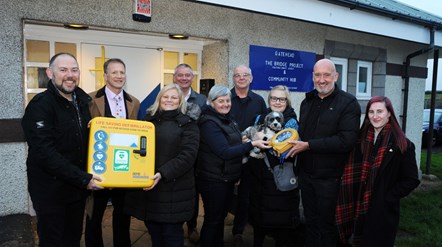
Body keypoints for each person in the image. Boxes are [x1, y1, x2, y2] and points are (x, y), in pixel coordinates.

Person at [21, 53, 103, 246]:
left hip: (76, 190)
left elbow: (83, 140)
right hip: (50, 191)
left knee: (73, 238)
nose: (70, 75)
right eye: (63, 70)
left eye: (74, 70)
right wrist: (83, 178)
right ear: (50, 73)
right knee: (53, 240)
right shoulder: (40, 105)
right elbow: (44, 153)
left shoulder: (82, 103)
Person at [286, 58, 361, 247]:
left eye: (326, 75)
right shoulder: (307, 101)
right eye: (317, 75)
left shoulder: (348, 103)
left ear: (335, 76)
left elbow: (346, 141)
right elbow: (303, 133)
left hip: (331, 179)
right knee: (310, 222)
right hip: (306, 176)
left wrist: (309, 145)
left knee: (327, 225)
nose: (322, 79)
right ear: (312, 77)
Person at [335, 96, 420, 247]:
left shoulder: (403, 145)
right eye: (371, 112)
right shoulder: (359, 140)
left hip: (382, 210)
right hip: (356, 203)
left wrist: (388, 196)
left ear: (389, 114)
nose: (375, 116)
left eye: (380, 111)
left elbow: (411, 179)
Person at [125, 84, 200, 247]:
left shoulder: (188, 124)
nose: (169, 100)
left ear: (180, 101)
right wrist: (97, 127)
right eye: (165, 97)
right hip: (149, 190)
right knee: (155, 235)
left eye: (174, 97)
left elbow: (187, 156)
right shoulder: (146, 122)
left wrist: (162, 173)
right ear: (159, 99)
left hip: (174, 190)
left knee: (172, 237)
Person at [196, 84, 269, 247]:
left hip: (225, 178)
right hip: (213, 180)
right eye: (221, 101)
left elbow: (230, 142)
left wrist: (243, 141)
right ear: (211, 102)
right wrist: (252, 144)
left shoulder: (227, 118)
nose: (225, 104)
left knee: (218, 218)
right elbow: (224, 151)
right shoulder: (209, 122)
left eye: (228, 100)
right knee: (213, 220)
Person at [85, 58, 140, 247]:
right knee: (94, 216)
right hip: (98, 166)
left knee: (123, 215)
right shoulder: (89, 99)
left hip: (123, 168)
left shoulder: (134, 102)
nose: (119, 76)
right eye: (114, 72)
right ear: (106, 75)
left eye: (122, 72)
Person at [248, 85, 302, 247]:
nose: (277, 102)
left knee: (280, 222)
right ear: (269, 99)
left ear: (287, 101)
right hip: (259, 176)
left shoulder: (291, 120)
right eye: (274, 98)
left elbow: (282, 148)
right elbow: (249, 138)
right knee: (259, 221)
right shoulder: (259, 117)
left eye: (282, 99)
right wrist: (251, 140)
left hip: (279, 177)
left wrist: (260, 140)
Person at [230, 65, 267, 246]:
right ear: (234, 78)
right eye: (238, 75)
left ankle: (238, 230)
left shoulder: (259, 101)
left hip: (251, 157)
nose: (242, 78)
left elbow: (263, 127)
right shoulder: (225, 98)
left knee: (245, 195)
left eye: (245, 75)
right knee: (223, 197)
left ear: (251, 78)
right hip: (228, 156)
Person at [173, 63, 207, 244]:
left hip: (194, 153)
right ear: (174, 77)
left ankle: (192, 225)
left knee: (192, 192)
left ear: (192, 78)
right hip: (171, 153)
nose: (184, 78)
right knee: (174, 191)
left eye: (188, 75)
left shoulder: (202, 100)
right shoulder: (168, 95)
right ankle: (174, 225)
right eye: (180, 75)